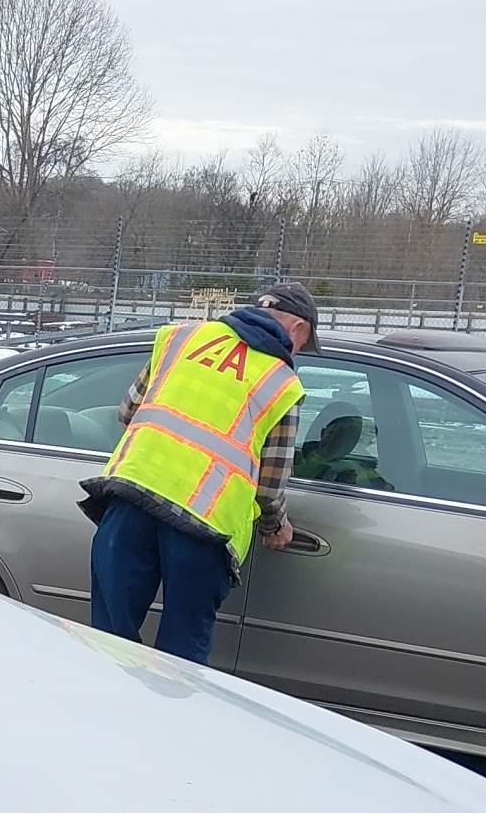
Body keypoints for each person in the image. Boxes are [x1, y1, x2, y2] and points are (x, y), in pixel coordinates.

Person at [78, 281, 319, 664]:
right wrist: (275, 526)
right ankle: (168, 722)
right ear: (298, 329)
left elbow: (128, 411)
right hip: (203, 526)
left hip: (131, 497)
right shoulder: (280, 381)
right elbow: (269, 485)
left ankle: (105, 717)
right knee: (181, 657)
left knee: (109, 640)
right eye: (304, 346)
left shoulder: (181, 338)